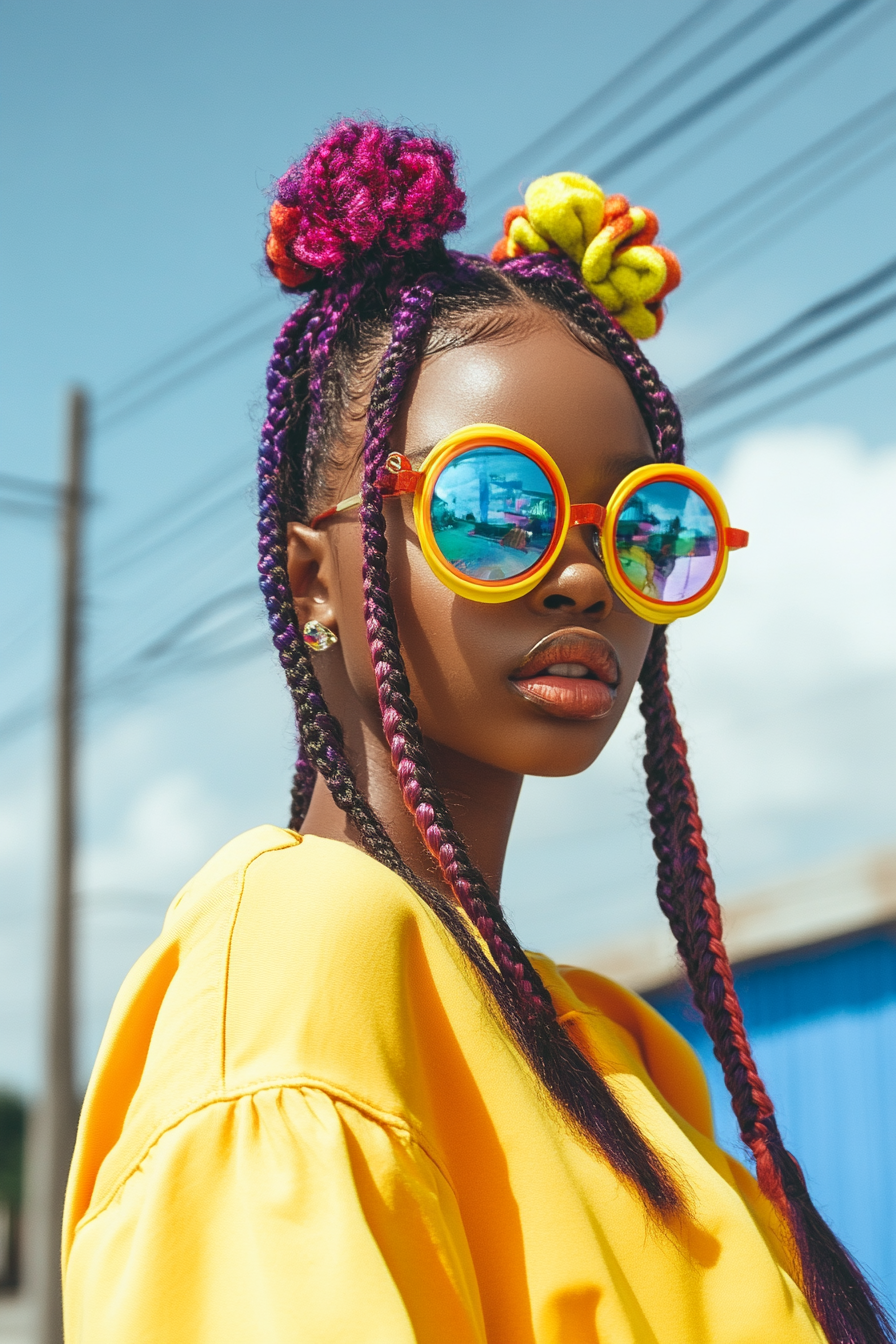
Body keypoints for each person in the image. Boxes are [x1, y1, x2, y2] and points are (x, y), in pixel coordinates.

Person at [61, 121, 891, 1344]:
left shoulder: (620, 1048)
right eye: (495, 508)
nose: (581, 576)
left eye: (643, 525)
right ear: (309, 578)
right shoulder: (303, 963)